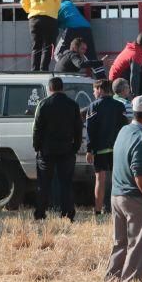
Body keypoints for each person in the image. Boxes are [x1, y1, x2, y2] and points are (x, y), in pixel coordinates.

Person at [105, 95, 142, 282]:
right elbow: (140, 174)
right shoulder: (141, 138)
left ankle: (112, 280)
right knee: (139, 245)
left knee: (120, 243)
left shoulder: (125, 130)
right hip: (135, 198)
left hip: (117, 195)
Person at [32, 77, 83, 221]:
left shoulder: (43, 104)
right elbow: (78, 128)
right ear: (63, 88)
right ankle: (67, 214)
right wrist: (75, 147)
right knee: (66, 183)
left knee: (43, 184)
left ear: (50, 88)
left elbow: (37, 128)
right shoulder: (72, 105)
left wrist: (37, 146)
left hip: (46, 150)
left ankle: (40, 214)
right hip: (66, 149)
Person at [86, 79, 129, 215]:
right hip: (117, 149)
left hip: (100, 149)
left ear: (100, 89)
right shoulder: (119, 106)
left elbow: (90, 131)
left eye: (94, 90)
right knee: (119, 180)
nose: (93, 93)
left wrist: (89, 150)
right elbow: (125, 127)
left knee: (100, 179)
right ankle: (118, 210)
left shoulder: (93, 106)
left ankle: (98, 211)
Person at [20, 0, 62, 71]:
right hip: (50, 17)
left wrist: (32, 10)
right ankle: (44, 70)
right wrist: (52, 11)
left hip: (34, 18)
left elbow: (23, 2)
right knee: (48, 46)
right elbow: (58, 2)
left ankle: (34, 70)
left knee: (36, 46)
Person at [54, 0, 104, 75]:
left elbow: (53, 26)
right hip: (86, 28)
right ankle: (103, 79)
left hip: (71, 28)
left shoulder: (56, 7)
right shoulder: (69, 4)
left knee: (58, 53)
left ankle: (64, 72)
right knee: (91, 57)